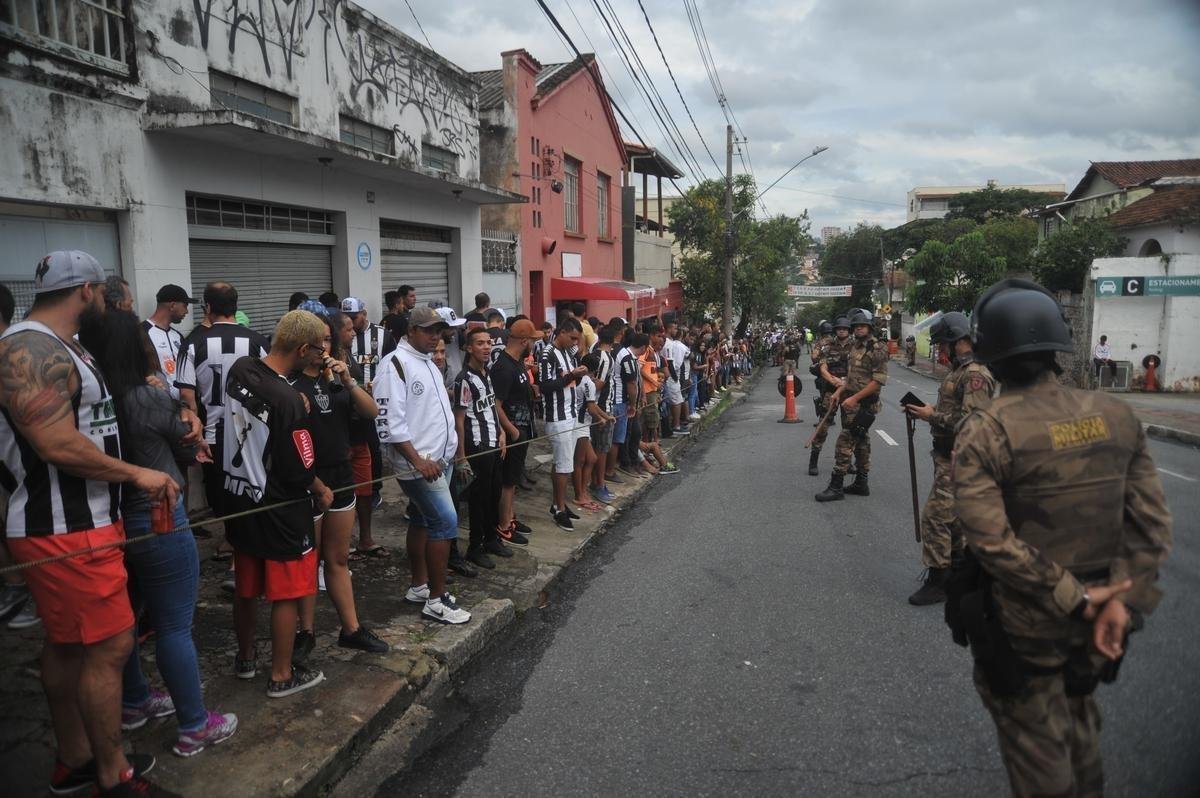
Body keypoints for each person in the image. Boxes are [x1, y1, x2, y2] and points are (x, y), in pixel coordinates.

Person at [947, 279, 1172, 797]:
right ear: (1057, 346)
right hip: (1102, 626)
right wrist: (1122, 602)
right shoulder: (1116, 415)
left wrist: (1078, 598)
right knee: (1081, 725)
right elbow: (1153, 526)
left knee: (1040, 757)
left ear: (991, 354)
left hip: (1028, 627)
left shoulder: (987, 429)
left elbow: (990, 540)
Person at [0, 251, 179, 796]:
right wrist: (138, 475)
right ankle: (112, 772)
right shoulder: (29, 348)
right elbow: (54, 443)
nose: (108, 300)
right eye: (102, 292)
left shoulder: (63, 344)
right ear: (85, 290)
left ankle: (75, 758)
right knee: (110, 647)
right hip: (66, 527)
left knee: (69, 645)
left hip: (80, 523)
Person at [80, 309, 239, 758]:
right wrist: (185, 409)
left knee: (125, 618)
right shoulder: (147, 399)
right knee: (173, 626)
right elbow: (189, 449)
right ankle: (193, 724)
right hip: (160, 516)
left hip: (110, 523)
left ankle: (134, 700)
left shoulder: (92, 399)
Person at [224, 310, 333, 697]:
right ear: (303, 348)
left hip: (239, 499)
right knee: (287, 592)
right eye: (318, 349)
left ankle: (246, 658)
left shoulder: (240, 369)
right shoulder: (290, 401)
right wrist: (321, 489)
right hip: (281, 508)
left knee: (246, 586)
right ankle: (282, 674)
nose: (320, 356)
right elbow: (299, 467)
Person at [291, 309, 388, 660]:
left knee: (338, 557)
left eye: (327, 340)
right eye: (316, 342)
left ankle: (351, 629)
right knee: (306, 561)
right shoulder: (290, 383)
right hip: (307, 479)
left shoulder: (338, 378)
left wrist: (348, 380)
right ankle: (305, 632)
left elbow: (371, 411)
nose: (322, 347)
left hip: (341, 473)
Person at [374, 307, 471, 625]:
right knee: (445, 522)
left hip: (439, 460)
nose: (435, 336)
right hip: (420, 465)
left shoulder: (428, 361)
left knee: (421, 521)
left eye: (439, 331)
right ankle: (436, 599)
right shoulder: (395, 365)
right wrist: (417, 460)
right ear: (411, 331)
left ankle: (419, 586)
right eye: (429, 331)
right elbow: (388, 422)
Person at [902, 312, 995, 606]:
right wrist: (928, 411)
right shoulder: (960, 371)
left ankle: (939, 581)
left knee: (935, 517)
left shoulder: (975, 375)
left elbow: (973, 424)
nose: (940, 350)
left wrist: (933, 416)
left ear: (958, 342)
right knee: (954, 520)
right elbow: (955, 412)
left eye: (943, 344)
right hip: (947, 455)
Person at [175, 283, 270, 542]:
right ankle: (245, 545)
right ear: (235, 307)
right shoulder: (258, 341)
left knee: (220, 491)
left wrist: (196, 437)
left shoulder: (192, 343)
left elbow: (186, 397)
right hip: (251, 433)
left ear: (207, 307)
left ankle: (230, 543)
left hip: (213, 435)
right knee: (251, 486)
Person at [453, 328, 512, 569]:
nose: (486, 347)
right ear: (469, 348)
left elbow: (490, 409)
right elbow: (459, 420)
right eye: (480, 343)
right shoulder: (464, 379)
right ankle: (474, 547)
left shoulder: (486, 373)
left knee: (494, 493)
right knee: (478, 499)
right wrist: (461, 457)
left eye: (488, 343)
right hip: (477, 447)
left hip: (494, 444)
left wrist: (501, 432)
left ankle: (491, 538)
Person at [815, 309, 886, 501]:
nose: (859, 329)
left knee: (844, 442)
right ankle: (861, 483)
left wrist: (854, 398)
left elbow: (877, 381)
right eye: (856, 326)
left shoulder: (877, 348)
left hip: (863, 404)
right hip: (850, 400)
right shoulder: (855, 347)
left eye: (862, 326)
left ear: (870, 327)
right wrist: (839, 391)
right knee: (862, 443)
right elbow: (852, 376)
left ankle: (836, 485)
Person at [489, 319, 538, 544]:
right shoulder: (503, 367)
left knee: (514, 478)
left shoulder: (518, 363)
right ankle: (503, 524)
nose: (534, 346)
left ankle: (510, 516)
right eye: (533, 341)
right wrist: (511, 430)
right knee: (508, 480)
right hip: (512, 432)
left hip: (523, 428)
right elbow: (496, 404)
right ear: (524, 341)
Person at [539, 318, 588, 531]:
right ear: (563, 332)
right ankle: (559, 509)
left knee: (561, 462)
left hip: (570, 413)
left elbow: (570, 379)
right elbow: (545, 386)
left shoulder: (567, 352)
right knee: (564, 465)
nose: (575, 343)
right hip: (558, 417)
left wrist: (577, 373)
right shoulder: (548, 354)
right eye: (573, 338)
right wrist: (572, 375)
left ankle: (558, 504)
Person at [810, 317, 850, 475]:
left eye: (845, 329)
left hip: (848, 392)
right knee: (823, 426)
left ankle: (848, 462)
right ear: (835, 330)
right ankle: (813, 460)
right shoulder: (827, 347)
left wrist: (845, 382)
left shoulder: (855, 347)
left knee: (850, 428)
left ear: (848, 331)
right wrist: (833, 381)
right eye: (839, 328)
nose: (842, 330)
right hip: (830, 390)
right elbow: (822, 367)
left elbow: (857, 370)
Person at [142, 284, 198, 400]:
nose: (187, 311)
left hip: (182, 407)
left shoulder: (178, 336)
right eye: (185, 305)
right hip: (157, 405)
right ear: (172, 305)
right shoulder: (141, 333)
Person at [579, 352, 616, 506]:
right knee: (585, 459)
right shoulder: (588, 383)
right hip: (581, 424)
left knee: (588, 459)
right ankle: (583, 491)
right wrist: (602, 418)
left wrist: (606, 417)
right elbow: (591, 407)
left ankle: (584, 490)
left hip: (584, 423)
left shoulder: (585, 380)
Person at [587, 328, 617, 503]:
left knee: (597, 447)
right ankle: (599, 484)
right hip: (603, 407)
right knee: (602, 448)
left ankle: (597, 482)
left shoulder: (592, 351)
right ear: (611, 342)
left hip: (595, 407)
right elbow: (599, 384)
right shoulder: (606, 359)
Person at [613, 331, 648, 478]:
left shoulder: (630, 357)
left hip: (629, 401)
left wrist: (641, 396)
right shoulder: (627, 358)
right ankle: (626, 463)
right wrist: (633, 405)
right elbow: (631, 384)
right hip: (624, 402)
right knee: (626, 435)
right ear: (644, 347)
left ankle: (634, 461)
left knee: (635, 433)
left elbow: (636, 381)